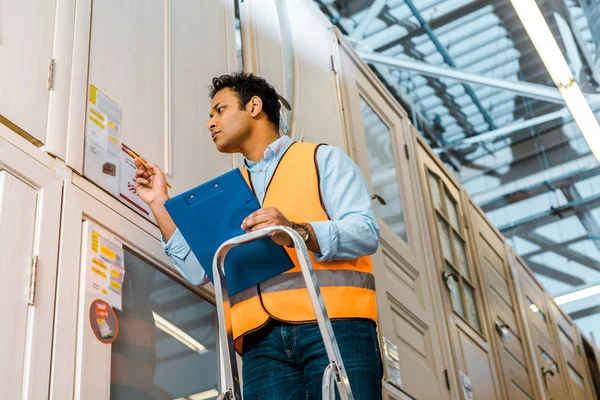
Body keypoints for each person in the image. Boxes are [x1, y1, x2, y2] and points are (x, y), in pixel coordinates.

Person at [134, 72, 383, 399]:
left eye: (219, 110)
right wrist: (159, 203)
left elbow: (365, 232)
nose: (211, 123)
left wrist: (296, 231)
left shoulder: (322, 160)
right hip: (260, 344)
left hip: (336, 326)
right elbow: (198, 270)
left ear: (254, 106)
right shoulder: (227, 191)